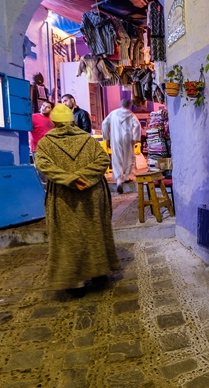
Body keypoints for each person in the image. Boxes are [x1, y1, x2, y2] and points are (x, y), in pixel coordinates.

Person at [35, 104, 120, 297]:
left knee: (68, 237)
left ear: (54, 122)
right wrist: (83, 177)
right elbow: (102, 160)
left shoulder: (46, 143)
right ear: (72, 121)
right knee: (95, 232)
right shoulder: (87, 140)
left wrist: (70, 179)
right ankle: (99, 274)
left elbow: (42, 164)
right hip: (92, 193)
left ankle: (76, 283)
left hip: (64, 197)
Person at [102, 98, 141, 194]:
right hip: (127, 138)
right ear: (129, 105)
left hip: (115, 138)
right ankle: (127, 177)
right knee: (128, 157)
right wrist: (135, 138)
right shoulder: (131, 115)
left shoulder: (113, 113)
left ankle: (119, 180)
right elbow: (137, 125)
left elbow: (104, 123)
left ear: (121, 104)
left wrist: (106, 137)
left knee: (117, 157)